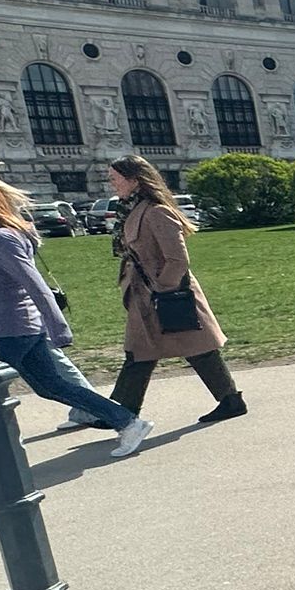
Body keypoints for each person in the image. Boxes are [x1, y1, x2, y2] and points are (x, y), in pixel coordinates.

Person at [0, 167, 152, 492]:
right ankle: (128, 422)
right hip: (9, 329)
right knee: (50, 386)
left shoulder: (1, 239)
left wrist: (59, 328)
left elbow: (35, 285)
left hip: (12, 331)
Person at [105, 155, 246, 422]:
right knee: (142, 352)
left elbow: (178, 259)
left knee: (192, 349)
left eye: (115, 177)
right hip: (146, 295)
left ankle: (121, 412)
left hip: (165, 295)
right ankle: (121, 411)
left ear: (134, 180)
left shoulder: (157, 212)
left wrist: (163, 291)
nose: (111, 183)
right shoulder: (134, 210)